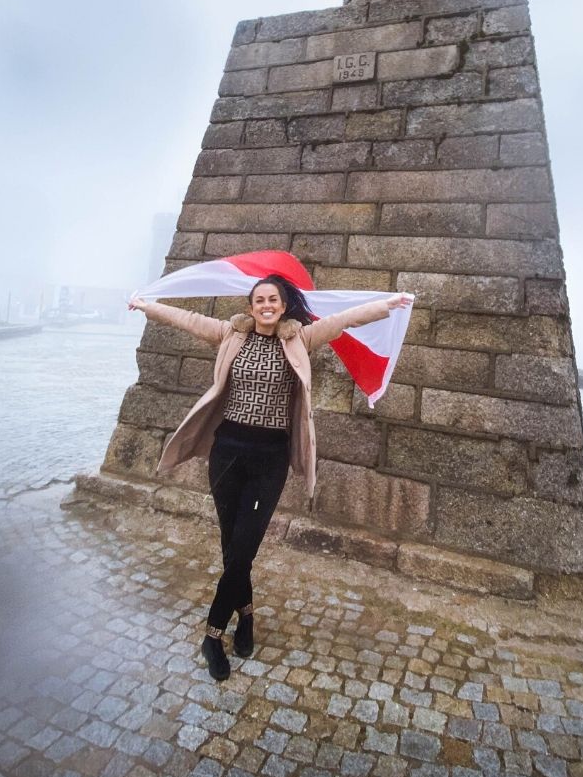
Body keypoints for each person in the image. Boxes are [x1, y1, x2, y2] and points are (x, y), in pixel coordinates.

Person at [128, 275, 412, 681]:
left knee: (245, 547)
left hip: (269, 460)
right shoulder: (230, 334)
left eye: (272, 300)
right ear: (250, 306)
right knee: (232, 547)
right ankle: (246, 617)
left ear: (282, 306)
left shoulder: (301, 339)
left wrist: (388, 304)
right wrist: (146, 306)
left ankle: (212, 634)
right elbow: (186, 319)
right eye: (258, 299)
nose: (265, 305)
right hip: (227, 453)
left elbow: (346, 319)